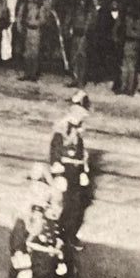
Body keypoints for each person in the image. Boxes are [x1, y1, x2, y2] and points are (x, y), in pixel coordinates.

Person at [48, 91, 92, 246]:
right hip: (64, 171)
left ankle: (70, 235)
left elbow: (80, 150)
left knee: (75, 205)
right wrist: (58, 173)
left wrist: (83, 170)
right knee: (62, 205)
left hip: (75, 171)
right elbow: (55, 149)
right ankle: (57, 235)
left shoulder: (78, 126)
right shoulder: (63, 126)